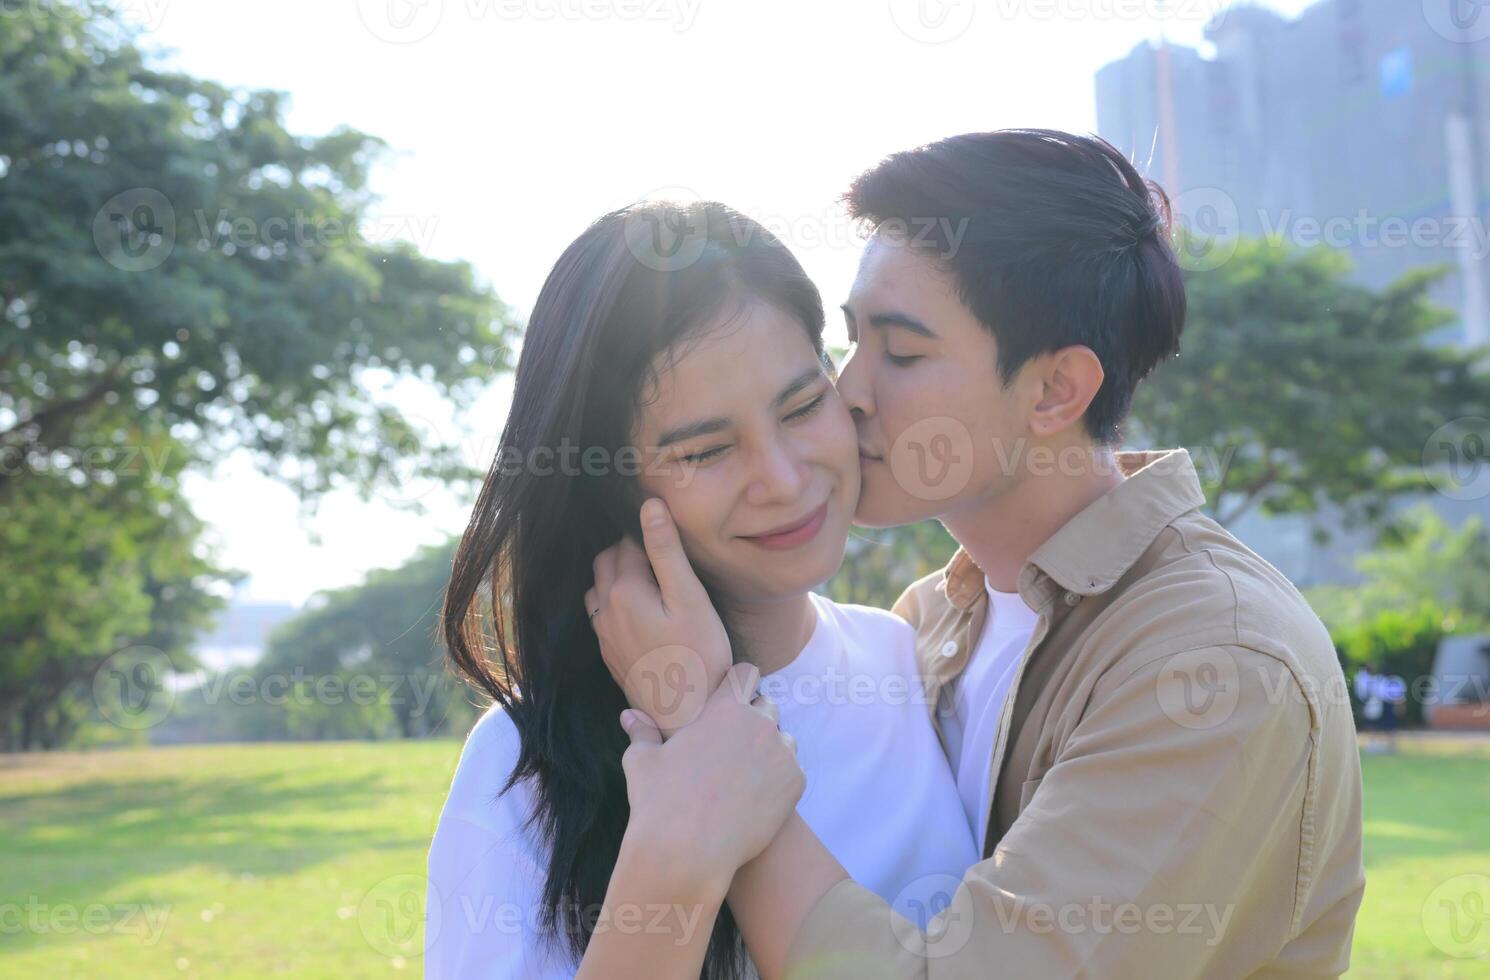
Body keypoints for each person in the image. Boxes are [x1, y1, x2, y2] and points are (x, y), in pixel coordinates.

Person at [591, 130, 1367, 978]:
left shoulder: (1214, 659)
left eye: (903, 352)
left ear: (1055, 389)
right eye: (851, 342)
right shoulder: (926, 623)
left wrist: (708, 734)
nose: (845, 393)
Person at [427, 201, 977, 978]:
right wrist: (681, 843)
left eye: (803, 405)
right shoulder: (527, 759)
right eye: (708, 450)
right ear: (610, 486)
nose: (784, 480)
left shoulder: (911, 662)